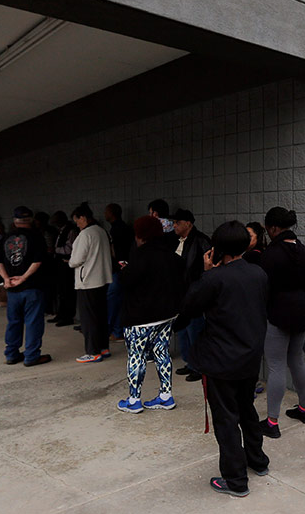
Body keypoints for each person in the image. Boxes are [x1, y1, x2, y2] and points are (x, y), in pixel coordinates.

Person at [179, 221, 269, 497]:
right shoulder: (258, 273)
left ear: (217, 249)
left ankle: (235, 479)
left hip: (221, 359)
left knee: (226, 418)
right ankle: (257, 460)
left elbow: (189, 308)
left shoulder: (214, 279)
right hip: (250, 355)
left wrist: (205, 274)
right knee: (246, 410)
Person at [115, 216, 186, 413]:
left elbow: (126, 281)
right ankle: (166, 396)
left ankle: (134, 400)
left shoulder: (140, 256)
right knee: (162, 352)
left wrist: (125, 270)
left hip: (140, 318)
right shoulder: (171, 255)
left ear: (140, 235)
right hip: (167, 315)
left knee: (136, 356)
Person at [257, 207, 305, 435]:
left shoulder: (269, 255)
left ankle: (272, 423)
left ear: (273, 228)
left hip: (277, 314)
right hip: (301, 311)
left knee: (276, 366)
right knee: (297, 361)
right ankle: (304, 409)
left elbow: (262, 289)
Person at [0, 206, 51, 366]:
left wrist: (6, 279)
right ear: (31, 220)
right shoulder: (36, 237)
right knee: (33, 322)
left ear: (14, 221)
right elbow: (38, 261)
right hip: (32, 287)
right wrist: (24, 277)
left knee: (13, 322)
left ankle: (11, 354)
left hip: (12, 289)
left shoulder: (5, 238)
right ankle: (31, 356)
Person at [171, 209, 212, 381]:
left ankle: (198, 365)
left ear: (188, 223)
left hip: (194, 292)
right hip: (181, 292)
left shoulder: (201, 241)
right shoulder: (177, 241)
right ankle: (189, 362)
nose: (174, 226)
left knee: (194, 329)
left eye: (177, 222)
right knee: (182, 329)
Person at [69, 203, 114, 363]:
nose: (76, 223)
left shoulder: (85, 234)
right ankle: (103, 347)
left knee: (89, 319)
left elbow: (76, 260)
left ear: (83, 217)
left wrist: (70, 261)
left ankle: (93, 351)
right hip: (103, 279)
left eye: (77, 220)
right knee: (101, 316)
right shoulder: (102, 231)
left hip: (87, 281)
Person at [103, 203, 132, 341]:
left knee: (113, 300)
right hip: (122, 268)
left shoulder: (117, 230)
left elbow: (118, 252)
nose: (104, 214)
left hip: (119, 268)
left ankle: (115, 330)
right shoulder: (122, 227)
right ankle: (117, 330)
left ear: (112, 213)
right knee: (119, 300)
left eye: (106, 212)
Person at [49, 211, 79, 327]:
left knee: (67, 292)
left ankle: (68, 316)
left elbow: (70, 248)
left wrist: (55, 250)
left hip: (67, 264)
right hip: (59, 264)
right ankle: (61, 314)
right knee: (61, 291)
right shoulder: (60, 231)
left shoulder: (71, 231)